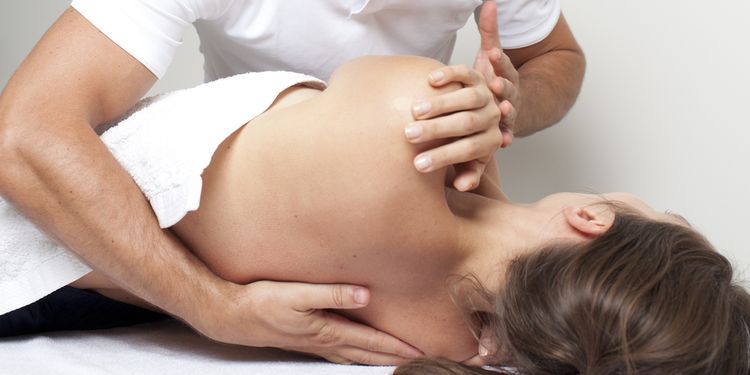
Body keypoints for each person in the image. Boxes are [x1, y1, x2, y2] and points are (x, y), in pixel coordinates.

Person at [45, 55, 750, 373]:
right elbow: (453, 243)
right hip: (71, 287)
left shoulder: (409, 114)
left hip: (40, 237)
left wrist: (465, 91)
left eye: (660, 211)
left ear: (594, 220)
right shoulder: (459, 342)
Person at [0, 0, 584, 364]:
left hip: (302, 244)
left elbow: (557, 55)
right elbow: (26, 134)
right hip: (189, 218)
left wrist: (511, 102)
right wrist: (212, 306)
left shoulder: (453, 316)